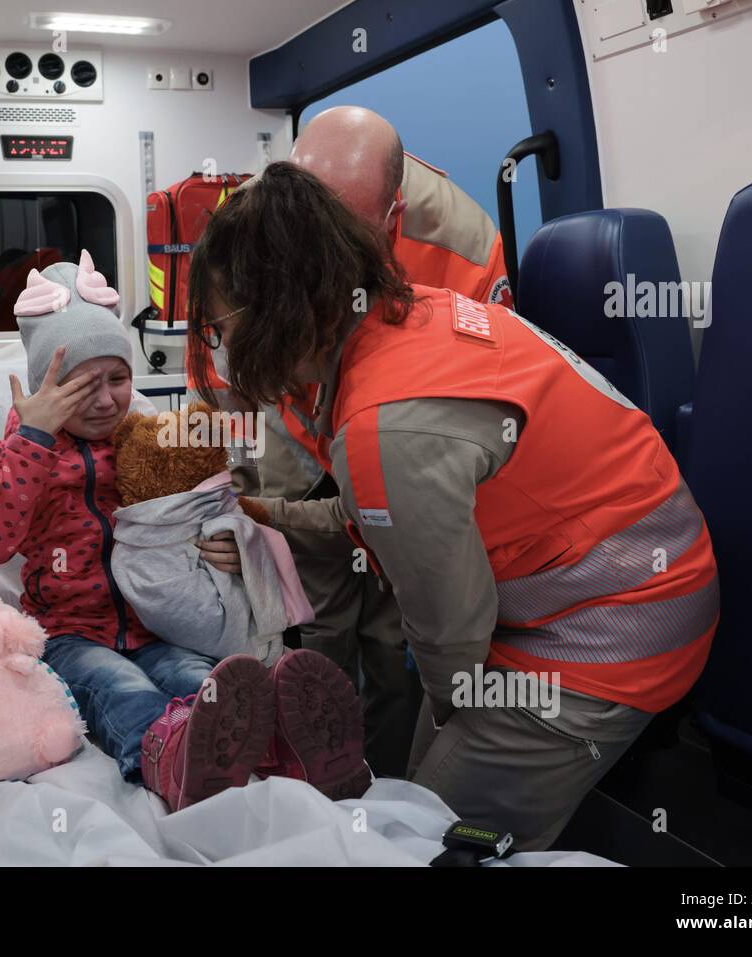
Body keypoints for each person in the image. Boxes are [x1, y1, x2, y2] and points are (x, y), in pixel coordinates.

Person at [186, 163, 719, 850]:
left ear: (277, 309)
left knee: (422, 831)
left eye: (219, 325)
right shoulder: (419, 312)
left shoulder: (386, 426)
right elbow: (397, 518)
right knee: (412, 785)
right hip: (607, 576)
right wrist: (272, 516)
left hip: (612, 628)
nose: (221, 347)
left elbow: (452, 640)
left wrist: (453, 734)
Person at [0, 250, 367, 811]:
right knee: (121, 690)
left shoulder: (146, 437)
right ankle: (170, 758)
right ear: (45, 389)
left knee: (206, 680)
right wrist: (31, 439)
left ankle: (293, 749)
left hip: (156, 625)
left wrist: (231, 544)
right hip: (70, 635)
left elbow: (212, 498)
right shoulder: (17, 454)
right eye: (82, 387)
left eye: (118, 379)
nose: (105, 400)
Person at [195, 105, 511, 777]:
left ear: (392, 218)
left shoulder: (464, 245)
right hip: (298, 432)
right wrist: (236, 500)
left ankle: (387, 777)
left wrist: (387, 472)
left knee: (399, 632)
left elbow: (484, 390)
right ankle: (315, 764)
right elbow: (231, 375)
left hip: (402, 433)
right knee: (315, 620)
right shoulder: (256, 222)